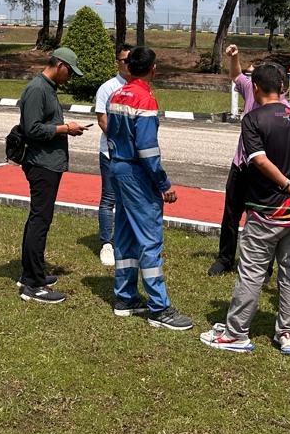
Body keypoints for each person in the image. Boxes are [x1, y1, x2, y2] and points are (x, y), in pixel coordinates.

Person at [200, 63, 290, 354]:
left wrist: (289, 187)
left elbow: (258, 159)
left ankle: (236, 333)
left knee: (252, 271)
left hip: (266, 210)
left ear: (255, 87)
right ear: (283, 87)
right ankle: (287, 333)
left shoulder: (254, 119)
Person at [105, 46, 193, 331]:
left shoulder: (117, 94)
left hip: (117, 166)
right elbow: (147, 149)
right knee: (149, 238)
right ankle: (159, 307)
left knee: (126, 234)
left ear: (129, 67)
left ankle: (125, 297)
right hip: (137, 173)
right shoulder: (145, 99)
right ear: (153, 69)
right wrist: (163, 184)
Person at [208, 43, 290, 276]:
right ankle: (225, 258)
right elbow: (236, 76)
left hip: (264, 171)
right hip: (241, 165)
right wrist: (235, 57)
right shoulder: (252, 92)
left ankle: (264, 266)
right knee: (231, 213)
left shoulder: (284, 110)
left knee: (264, 217)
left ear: (280, 85)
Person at [16, 46, 89, 305]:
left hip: (49, 163)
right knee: (40, 220)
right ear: (59, 65)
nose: (70, 77)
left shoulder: (48, 88)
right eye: (69, 71)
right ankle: (32, 285)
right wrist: (64, 128)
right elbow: (32, 129)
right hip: (41, 164)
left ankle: (31, 273)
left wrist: (66, 129)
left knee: (40, 219)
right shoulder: (37, 89)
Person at [94, 44, 133, 267]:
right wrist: (120, 142)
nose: (126, 64)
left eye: (130, 60)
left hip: (133, 156)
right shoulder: (108, 88)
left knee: (128, 199)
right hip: (111, 153)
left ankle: (125, 240)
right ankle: (106, 243)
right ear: (117, 62)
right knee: (109, 199)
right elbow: (102, 119)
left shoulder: (140, 86)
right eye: (123, 60)